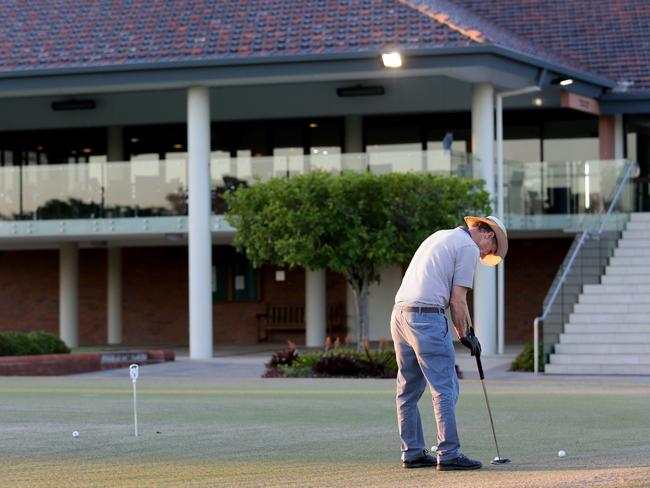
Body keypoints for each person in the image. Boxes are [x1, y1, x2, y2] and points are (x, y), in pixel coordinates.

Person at [390, 215, 508, 471]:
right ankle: (449, 453)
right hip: (427, 318)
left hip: (400, 315)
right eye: (491, 250)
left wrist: (466, 331)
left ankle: (412, 452)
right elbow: (457, 301)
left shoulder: (440, 235)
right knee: (445, 388)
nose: (485, 255)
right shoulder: (467, 247)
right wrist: (465, 335)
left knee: (408, 389)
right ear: (488, 234)